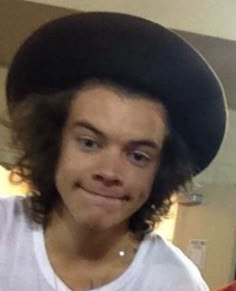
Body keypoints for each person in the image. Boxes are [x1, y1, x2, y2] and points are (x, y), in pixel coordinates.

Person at [0, 12, 227, 291]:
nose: (109, 172)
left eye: (138, 157)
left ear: (159, 172)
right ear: (55, 143)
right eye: (89, 143)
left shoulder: (176, 283)